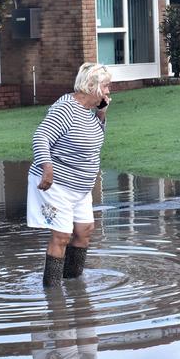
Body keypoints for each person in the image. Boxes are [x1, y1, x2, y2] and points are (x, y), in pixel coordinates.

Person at [28, 62, 112, 288]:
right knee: (62, 236)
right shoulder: (65, 109)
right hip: (56, 184)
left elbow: (96, 140)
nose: (107, 91)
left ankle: (74, 283)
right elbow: (40, 137)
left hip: (80, 188)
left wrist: (101, 113)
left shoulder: (88, 112)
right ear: (91, 86)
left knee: (84, 231)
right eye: (105, 86)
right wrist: (47, 167)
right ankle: (52, 290)